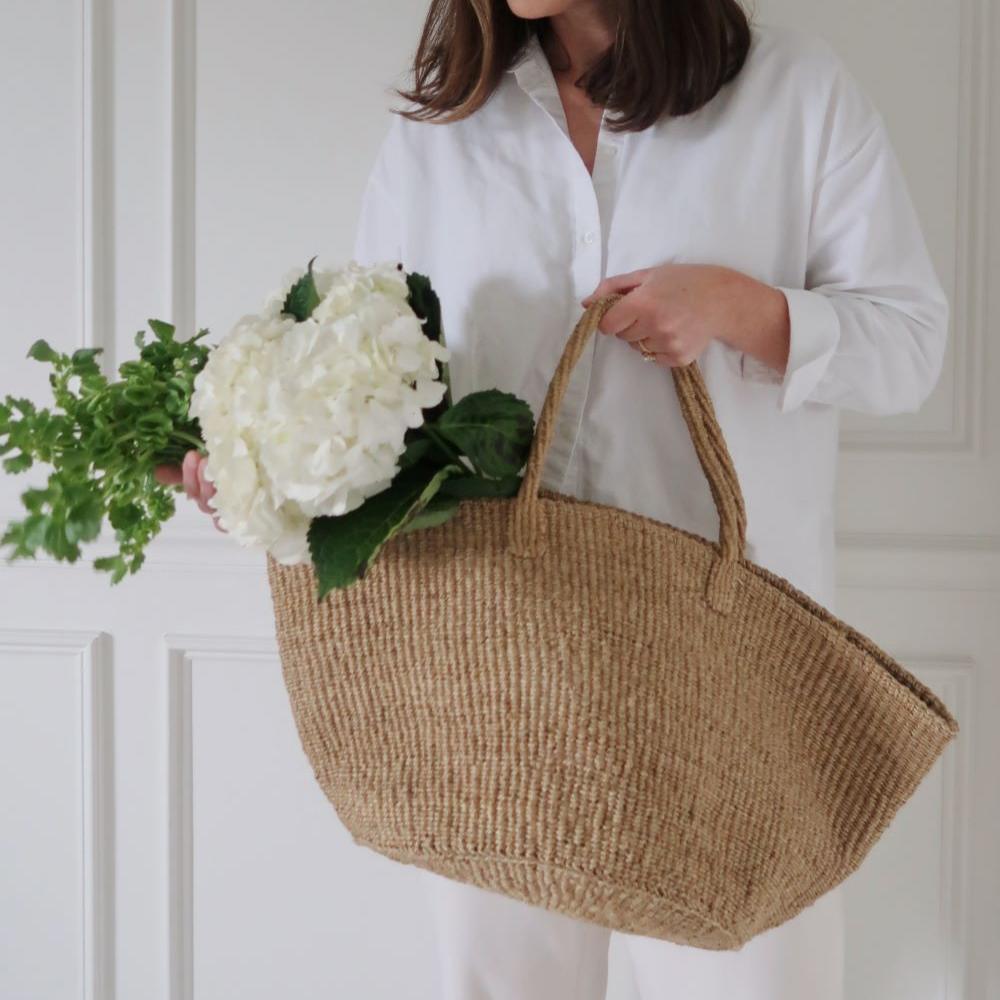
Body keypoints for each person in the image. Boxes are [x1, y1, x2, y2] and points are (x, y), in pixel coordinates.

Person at [158, 1, 949, 997]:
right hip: (496, 666)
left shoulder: (793, 92)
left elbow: (910, 348)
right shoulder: (444, 124)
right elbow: (384, 397)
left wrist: (736, 307)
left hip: (719, 682)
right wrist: (268, 470)